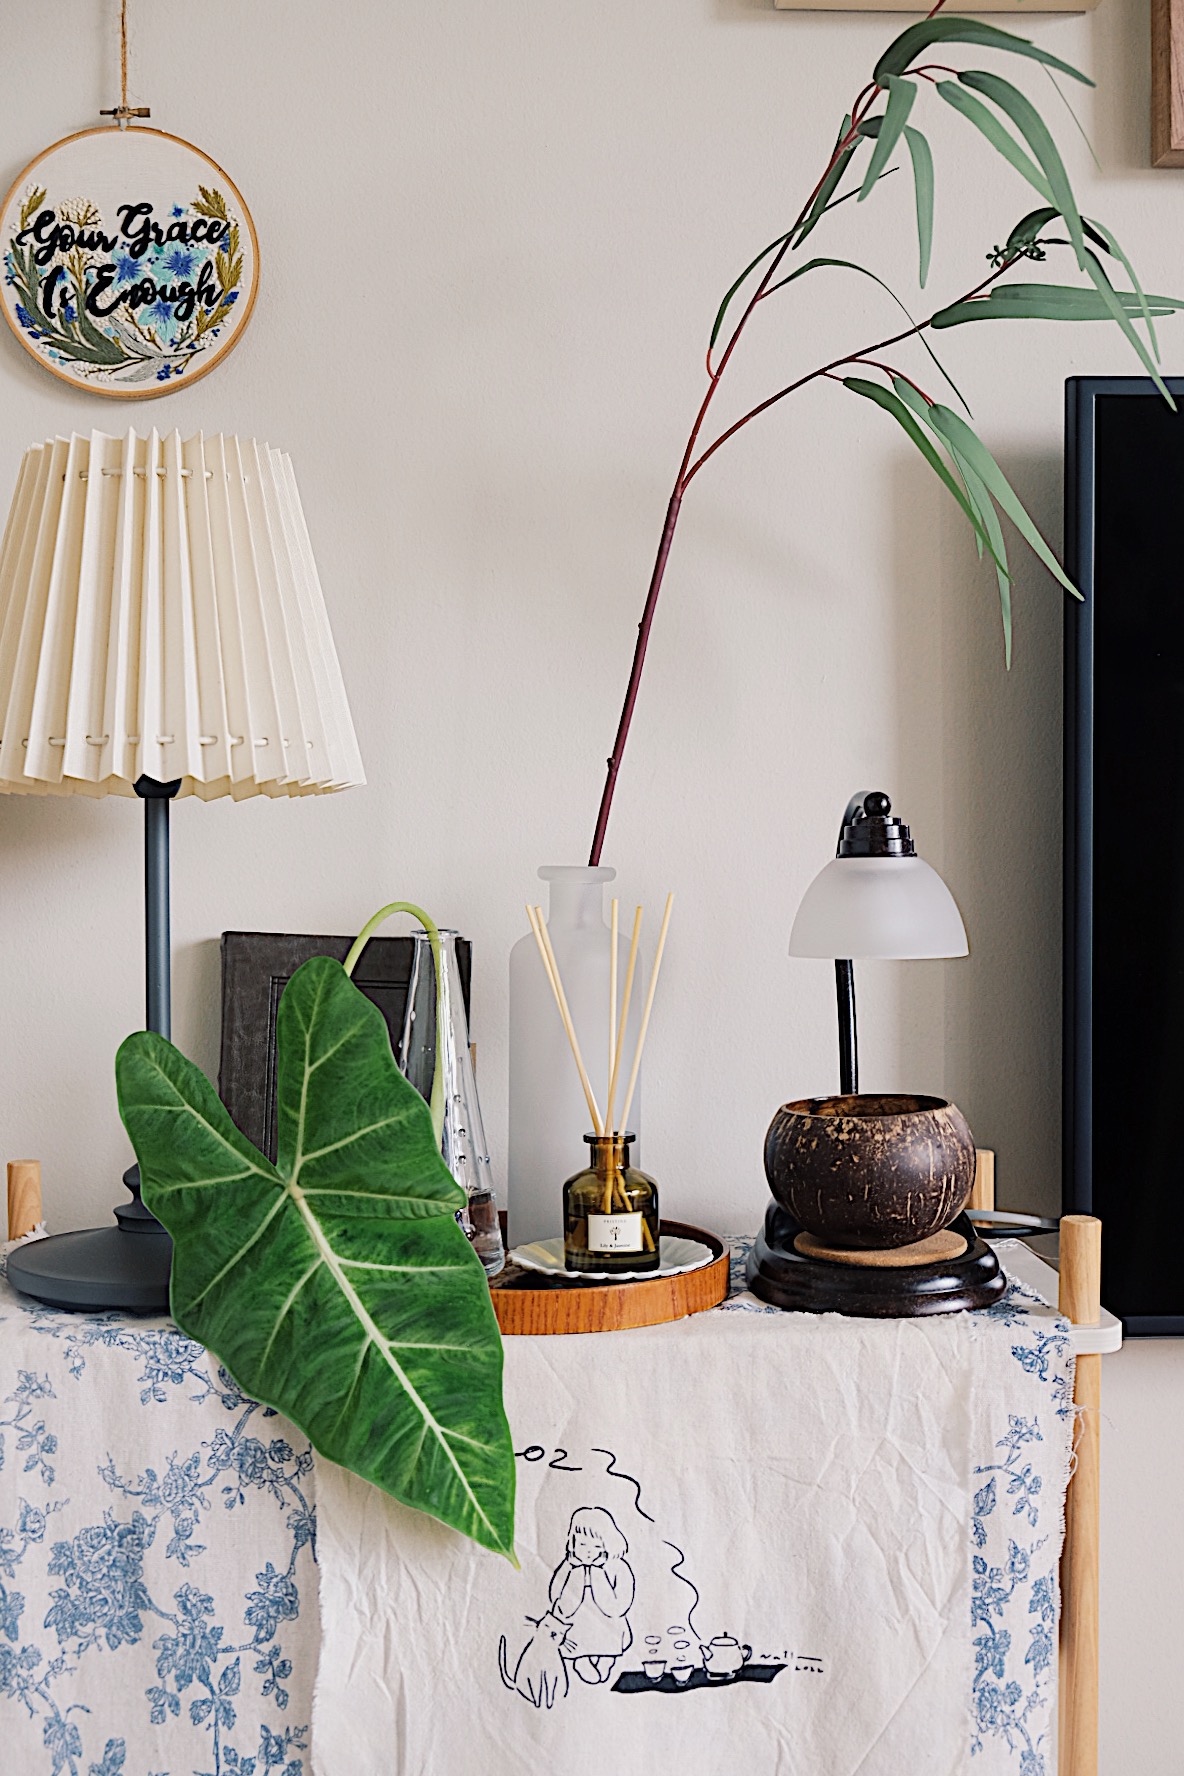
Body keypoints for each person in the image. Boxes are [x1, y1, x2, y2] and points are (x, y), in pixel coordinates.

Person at [548, 1507, 635, 1685]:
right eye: (582, 1544)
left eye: (596, 1546)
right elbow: (555, 1596)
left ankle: (607, 1659)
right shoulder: (568, 1566)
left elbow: (620, 1604)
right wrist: (576, 1574)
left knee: (610, 1643)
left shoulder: (617, 1566)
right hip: (576, 1626)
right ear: (572, 1543)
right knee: (577, 1644)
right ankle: (581, 1661)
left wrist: (597, 1574)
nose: (588, 1551)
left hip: (609, 1625)